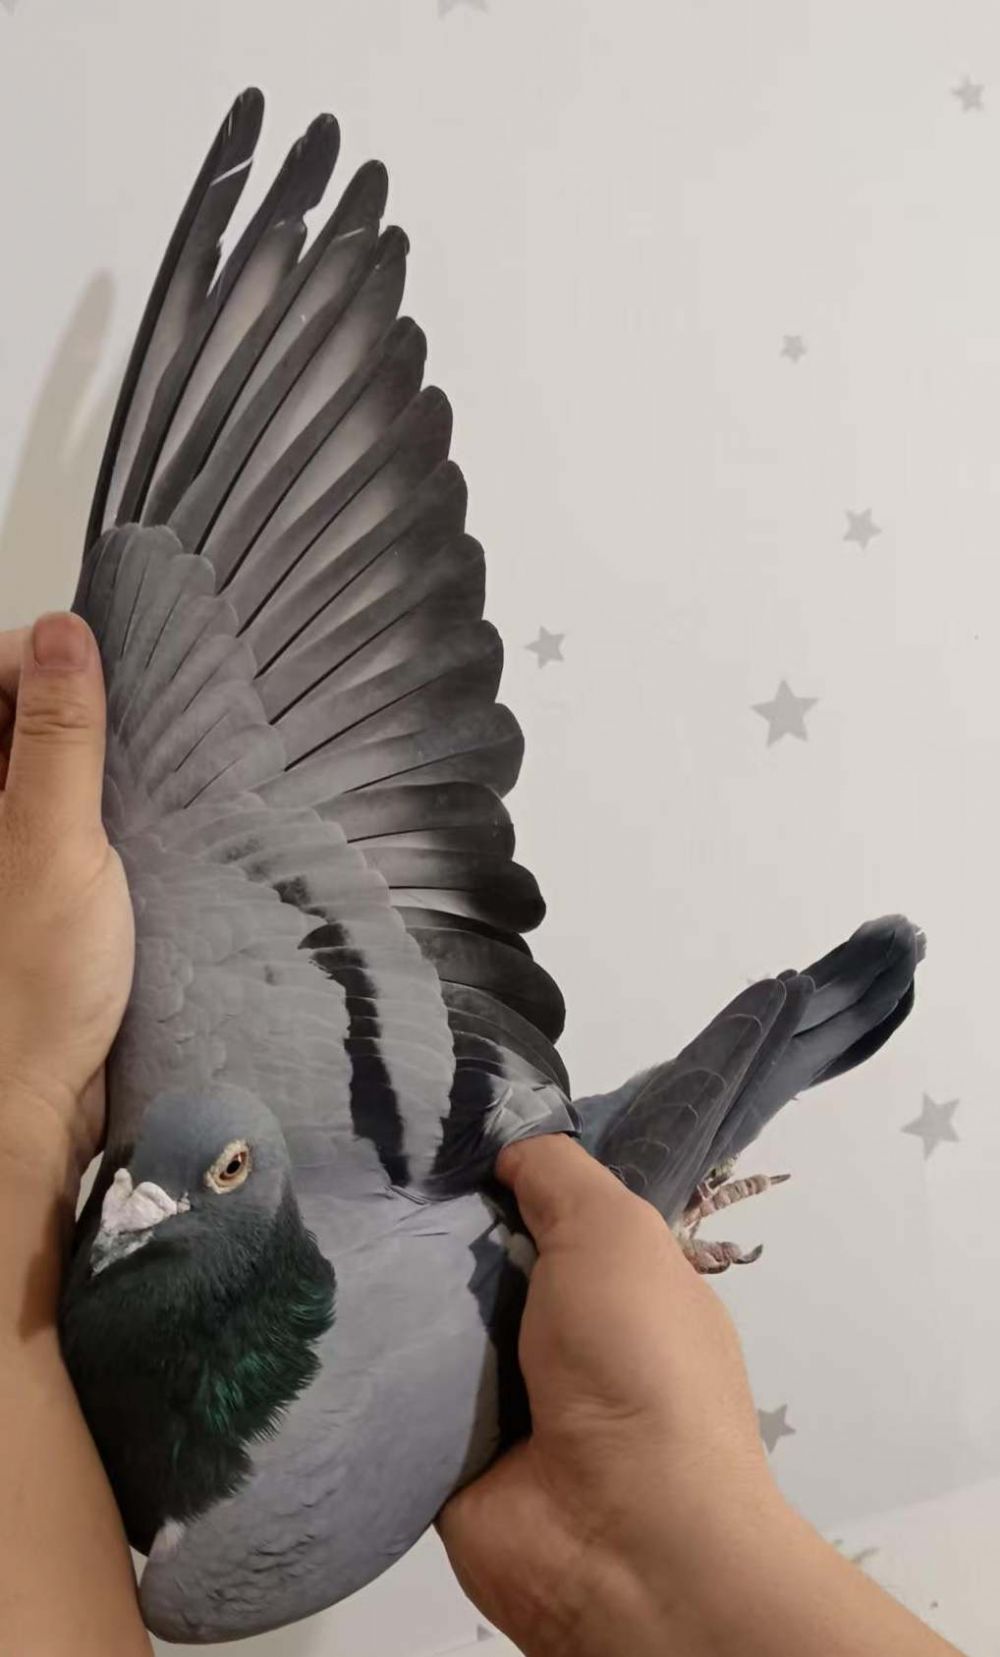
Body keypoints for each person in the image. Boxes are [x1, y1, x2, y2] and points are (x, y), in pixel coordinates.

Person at [0, 612, 963, 1657]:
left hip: (511, 1215)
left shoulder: (222, 1535)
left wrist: (31, 1099)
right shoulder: (178, 1283)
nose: (132, 1205)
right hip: (503, 1183)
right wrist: (30, 1102)